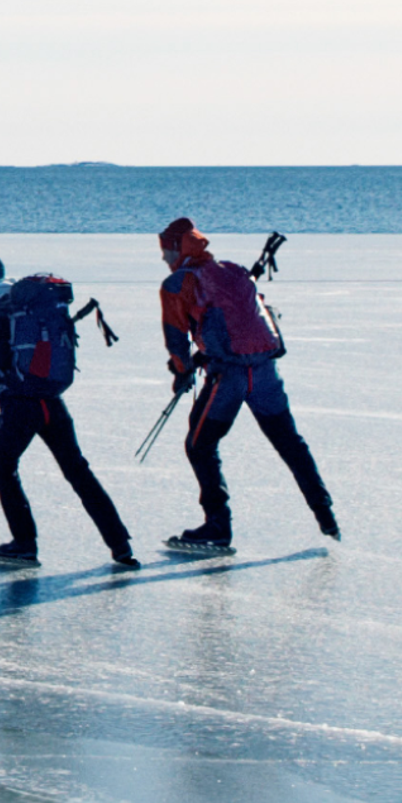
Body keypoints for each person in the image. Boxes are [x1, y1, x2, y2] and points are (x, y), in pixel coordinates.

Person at [156, 218, 339, 552]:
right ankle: (325, 514)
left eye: (166, 251)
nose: (165, 259)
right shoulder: (234, 271)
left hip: (229, 378)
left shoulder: (177, 283)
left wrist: (182, 373)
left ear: (178, 250)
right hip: (266, 371)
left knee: (200, 445)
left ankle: (217, 528)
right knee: (289, 442)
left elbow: (175, 339)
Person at [0, 253, 138, 570]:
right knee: (77, 470)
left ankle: (24, 544)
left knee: (3, 468)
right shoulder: (28, 303)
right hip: (51, 400)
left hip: (19, 403)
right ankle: (120, 544)